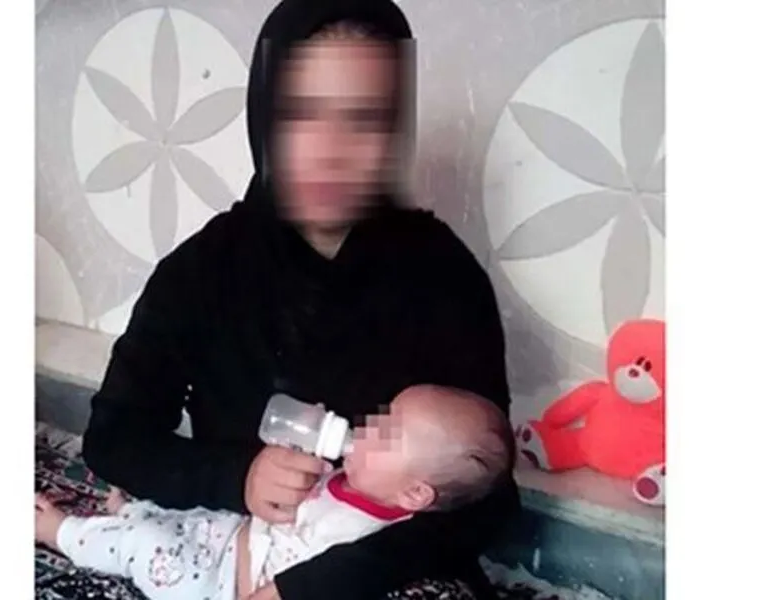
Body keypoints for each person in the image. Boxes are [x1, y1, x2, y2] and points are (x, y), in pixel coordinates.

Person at [80, 1, 521, 599]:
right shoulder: (201, 272)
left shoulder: (443, 274)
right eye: (301, 114)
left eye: (363, 119)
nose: (330, 149)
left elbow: (487, 495)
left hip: (383, 568)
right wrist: (237, 476)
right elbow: (115, 439)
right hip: (240, 549)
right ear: (264, 118)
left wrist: (317, 586)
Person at [37, 386, 511, 600]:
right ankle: (133, 511)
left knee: (146, 546)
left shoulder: (368, 537)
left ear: (414, 495)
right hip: (235, 532)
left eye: (388, 433)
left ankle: (63, 531)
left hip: (222, 583)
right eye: (381, 414)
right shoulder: (354, 478)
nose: (367, 425)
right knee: (182, 510)